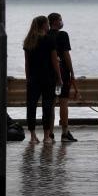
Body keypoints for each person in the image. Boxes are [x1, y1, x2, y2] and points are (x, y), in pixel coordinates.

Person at [23, 15, 61, 144]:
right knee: (47, 106)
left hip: (33, 78)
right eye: (47, 23)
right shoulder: (49, 40)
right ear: (43, 25)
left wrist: (28, 78)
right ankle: (46, 136)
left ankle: (33, 136)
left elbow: (27, 63)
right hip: (48, 78)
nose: (48, 25)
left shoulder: (28, 42)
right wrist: (59, 78)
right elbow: (55, 61)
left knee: (31, 106)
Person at [47, 12, 79, 142]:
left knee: (51, 104)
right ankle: (65, 133)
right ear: (55, 22)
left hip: (49, 74)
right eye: (60, 20)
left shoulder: (45, 35)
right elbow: (66, 55)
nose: (62, 22)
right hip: (63, 73)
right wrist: (72, 72)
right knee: (63, 103)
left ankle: (50, 133)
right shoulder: (63, 35)